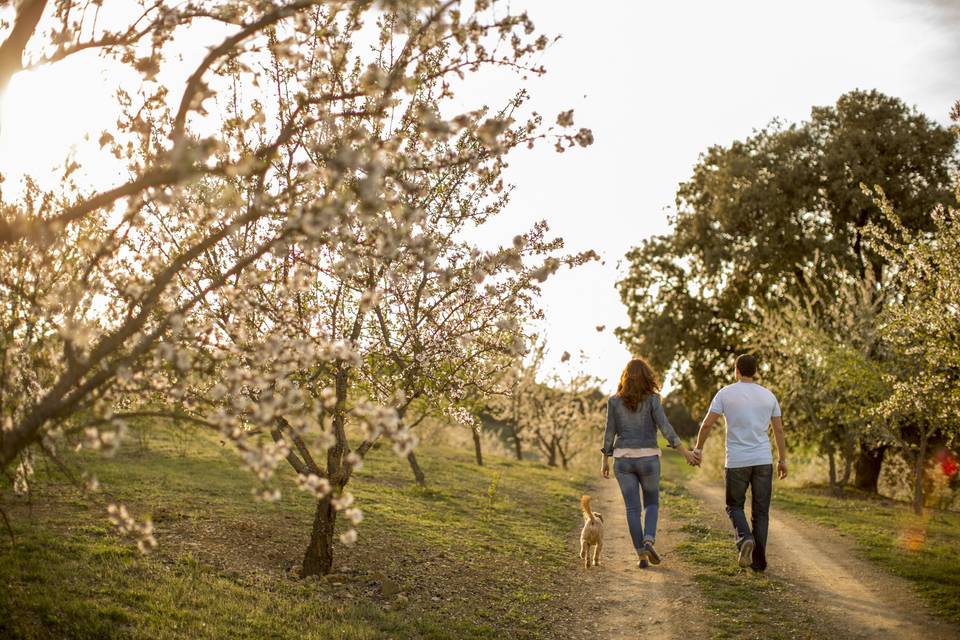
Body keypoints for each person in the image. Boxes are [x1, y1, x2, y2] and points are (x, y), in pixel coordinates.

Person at [600, 357, 699, 568]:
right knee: (652, 503)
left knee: (632, 510)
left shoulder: (614, 401)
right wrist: (685, 453)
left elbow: (609, 433)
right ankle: (648, 539)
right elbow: (665, 427)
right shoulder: (653, 399)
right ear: (647, 376)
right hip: (648, 460)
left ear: (625, 377)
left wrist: (605, 460)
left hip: (623, 461)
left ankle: (641, 556)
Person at [692, 354, 787, 571]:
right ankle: (759, 562)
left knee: (734, 505)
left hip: (736, 461)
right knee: (761, 512)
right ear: (755, 371)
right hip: (763, 460)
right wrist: (782, 460)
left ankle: (744, 538)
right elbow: (778, 430)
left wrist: (698, 449)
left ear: (736, 370)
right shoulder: (768, 396)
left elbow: (706, 425)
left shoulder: (725, 394)